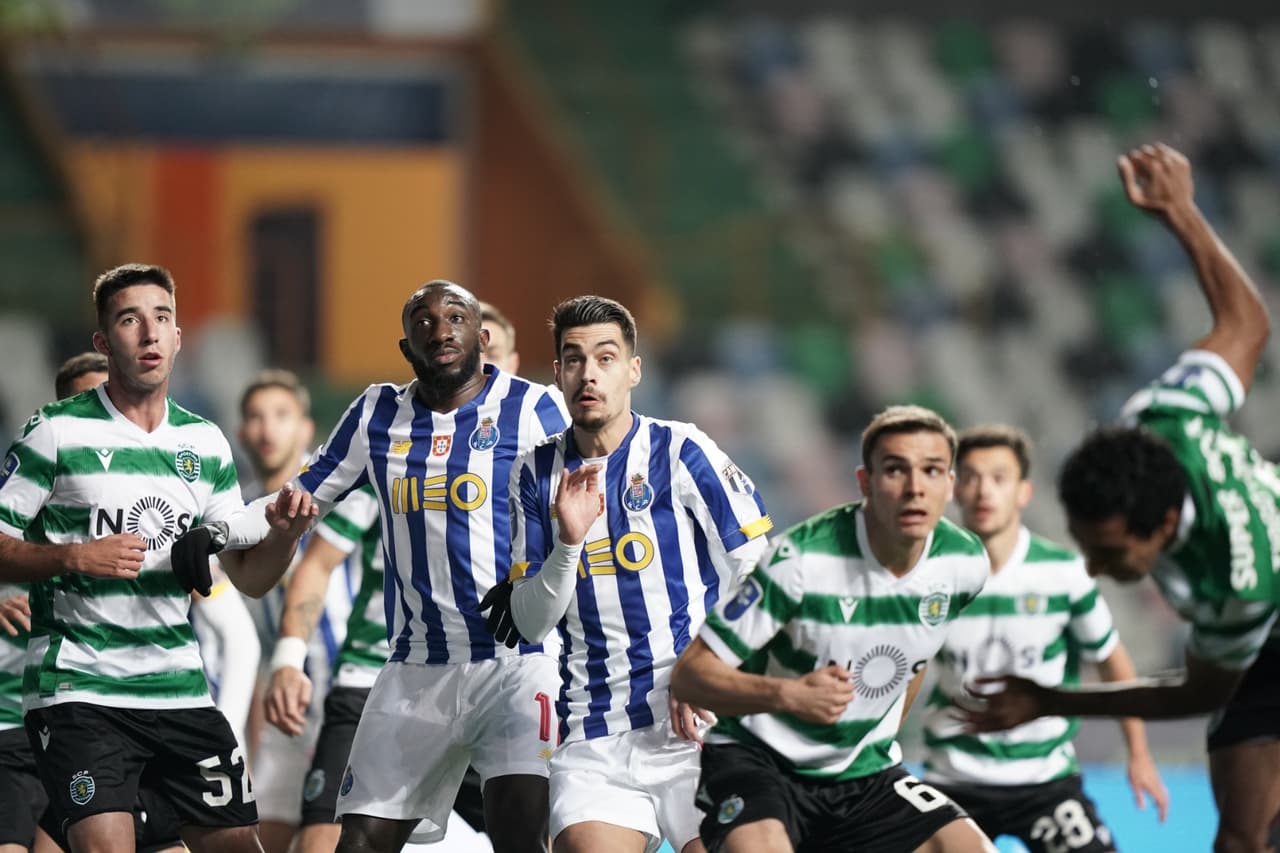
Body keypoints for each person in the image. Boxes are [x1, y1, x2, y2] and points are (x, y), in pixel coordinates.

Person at [960, 144, 1280, 853]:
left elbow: (1197, 691)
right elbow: (1248, 328)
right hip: (1255, 631)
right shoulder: (1163, 417)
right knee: (1242, 838)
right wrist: (1179, 211)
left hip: (1269, 619)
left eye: (1111, 551)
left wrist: (1052, 699)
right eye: (1086, 543)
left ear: (1164, 523)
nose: (1097, 569)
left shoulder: (1235, 578)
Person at [174, 279, 568, 853]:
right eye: (424, 321)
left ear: (481, 335)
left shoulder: (534, 409)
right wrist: (217, 530)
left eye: (455, 316)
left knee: (518, 837)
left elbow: (590, 513)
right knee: (357, 844)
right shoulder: (377, 415)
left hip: (513, 665)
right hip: (413, 672)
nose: (440, 329)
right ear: (407, 347)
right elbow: (296, 498)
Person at [0, 263, 316, 853]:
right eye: (129, 319)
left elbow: (246, 578)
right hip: (80, 690)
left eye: (162, 318)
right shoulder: (54, 430)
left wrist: (283, 538)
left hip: (179, 693)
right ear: (103, 341)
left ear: (177, 337)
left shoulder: (205, 443)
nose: (148, 333)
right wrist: (73, 557)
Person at [482, 295, 773, 853]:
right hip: (597, 738)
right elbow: (530, 622)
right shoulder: (534, 472)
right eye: (573, 359)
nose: (588, 374)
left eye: (606, 358)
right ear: (558, 373)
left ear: (634, 370)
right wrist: (568, 542)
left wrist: (707, 667)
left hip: (700, 728)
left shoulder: (681, 450)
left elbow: (762, 573)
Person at [261, 306, 535, 853]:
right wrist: (288, 656)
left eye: (496, 357)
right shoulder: (387, 450)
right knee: (336, 840)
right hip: (385, 679)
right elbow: (314, 564)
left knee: (530, 835)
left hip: (505, 674)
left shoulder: (538, 440)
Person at [670, 405, 996, 853]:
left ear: (950, 485)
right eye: (896, 470)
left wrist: (875, 736)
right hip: (761, 762)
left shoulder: (964, 564)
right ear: (865, 483)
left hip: (865, 775)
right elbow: (691, 676)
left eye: (932, 470)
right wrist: (789, 696)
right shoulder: (799, 561)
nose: (915, 488)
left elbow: (918, 649)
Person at [922, 424, 1168, 852]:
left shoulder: (1065, 574)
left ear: (1023, 493)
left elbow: (1113, 661)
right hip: (951, 783)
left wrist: (1140, 754)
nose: (984, 491)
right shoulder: (929, 575)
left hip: (1044, 783)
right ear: (954, 490)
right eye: (971, 477)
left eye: (999, 478)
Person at [233, 369, 357, 853]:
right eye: (256, 418)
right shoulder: (240, 510)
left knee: (322, 840)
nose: (268, 430)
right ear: (242, 432)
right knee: (254, 838)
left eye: (281, 416)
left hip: (344, 695)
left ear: (306, 429)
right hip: (286, 706)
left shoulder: (341, 491)